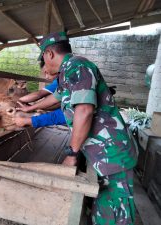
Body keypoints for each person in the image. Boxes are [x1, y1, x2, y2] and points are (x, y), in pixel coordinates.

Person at [38, 31, 137, 225]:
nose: (43, 62)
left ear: (49, 54)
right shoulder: (68, 72)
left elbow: (84, 110)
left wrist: (72, 153)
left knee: (116, 215)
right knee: (102, 208)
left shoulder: (78, 66)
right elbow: (56, 97)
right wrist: (30, 108)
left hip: (112, 154)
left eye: (42, 56)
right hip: (102, 153)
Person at [15, 61, 66, 128]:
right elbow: (54, 100)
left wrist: (31, 120)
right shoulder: (60, 80)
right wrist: (31, 107)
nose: (46, 77)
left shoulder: (66, 80)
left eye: (47, 72)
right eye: (45, 73)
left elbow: (65, 113)